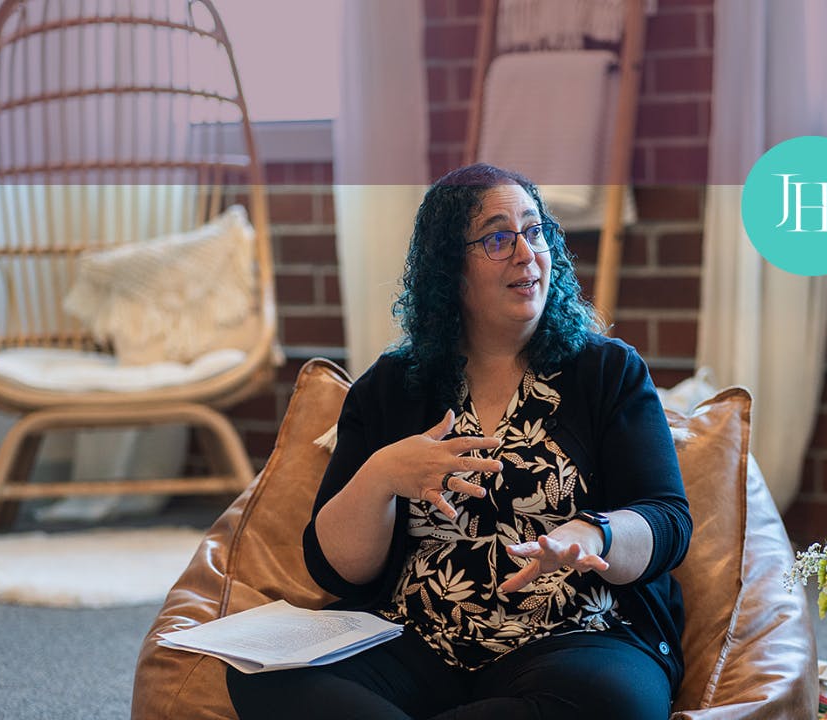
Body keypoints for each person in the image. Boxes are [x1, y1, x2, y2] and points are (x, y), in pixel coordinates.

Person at [226, 163, 691, 720]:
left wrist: (594, 534)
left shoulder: (606, 371)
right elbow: (335, 570)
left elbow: (667, 519)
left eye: (534, 231)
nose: (526, 253)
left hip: (573, 637)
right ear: (451, 270)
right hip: (414, 639)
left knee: (615, 704)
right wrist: (380, 477)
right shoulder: (391, 387)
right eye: (498, 237)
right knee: (264, 677)